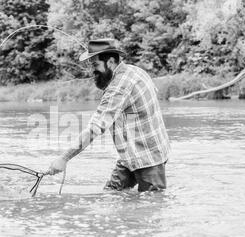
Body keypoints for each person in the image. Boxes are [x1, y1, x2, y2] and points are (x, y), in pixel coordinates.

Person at [46, 39, 171, 192]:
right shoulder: (135, 71)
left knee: (152, 205)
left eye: (95, 65)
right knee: (110, 194)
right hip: (130, 156)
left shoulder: (118, 87)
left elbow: (95, 128)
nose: (92, 71)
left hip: (149, 159)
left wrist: (64, 158)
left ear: (110, 61)